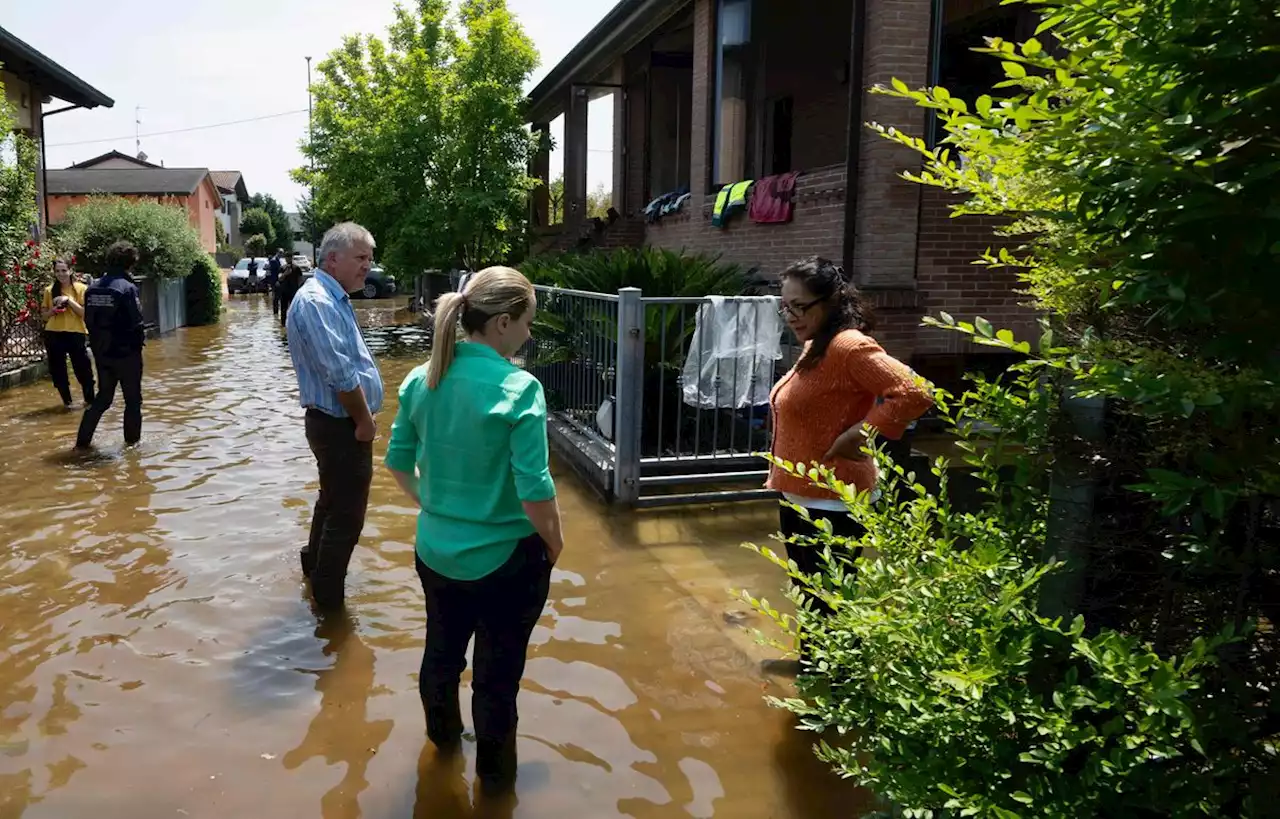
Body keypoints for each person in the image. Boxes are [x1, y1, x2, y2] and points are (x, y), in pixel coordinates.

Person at [385, 266, 562, 792]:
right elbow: (535, 487)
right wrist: (555, 541)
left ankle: (441, 751)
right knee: (496, 679)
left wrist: (436, 507)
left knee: (439, 655)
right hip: (507, 560)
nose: (530, 334)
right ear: (503, 322)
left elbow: (397, 461)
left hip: (435, 551)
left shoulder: (423, 377)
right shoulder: (519, 387)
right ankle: (495, 784)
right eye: (528, 322)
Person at [767, 256, 933, 669]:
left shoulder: (847, 346)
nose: (791, 316)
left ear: (831, 302)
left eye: (800, 306)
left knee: (831, 597)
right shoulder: (815, 347)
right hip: (801, 492)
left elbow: (914, 391)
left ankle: (842, 685)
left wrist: (861, 433)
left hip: (833, 498)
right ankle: (813, 665)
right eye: (784, 305)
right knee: (809, 590)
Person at [286, 222, 383, 611]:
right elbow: (340, 373)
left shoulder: (331, 296)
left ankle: (314, 574)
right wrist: (364, 421)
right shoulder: (318, 302)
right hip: (342, 424)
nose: (367, 267)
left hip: (339, 422)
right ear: (333, 258)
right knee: (347, 519)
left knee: (331, 503)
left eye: (369, 259)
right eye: (361, 258)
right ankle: (329, 609)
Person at [76, 241, 147, 449]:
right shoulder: (127, 288)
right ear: (131, 263)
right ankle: (132, 447)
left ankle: (81, 444)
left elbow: (88, 320)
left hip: (102, 354)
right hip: (126, 355)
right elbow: (137, 323)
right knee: (133, 401)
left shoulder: (92, 288)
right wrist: (137, 346)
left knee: (103, 398)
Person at [41, 257, 95, 409]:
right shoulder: (49, 290)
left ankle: (90, 402)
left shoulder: (81, 289)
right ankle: (67, 404)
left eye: (64, 270)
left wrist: (69, 301)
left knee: (83, 368)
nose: (61, 274)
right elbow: (44, 315)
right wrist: (53, 310)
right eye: (57, 271)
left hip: (76, 333)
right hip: (53, 333)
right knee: (58, 371)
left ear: (70, 270)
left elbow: (85, 314)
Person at [278, 261, 303, 327]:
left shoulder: (296, 268)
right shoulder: (282, 268)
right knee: (283, 310)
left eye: (289, 257)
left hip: (293, 292)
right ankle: (283, 325)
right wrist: (285, 273)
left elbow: (300, 278)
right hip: (284, 292)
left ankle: (294, 325)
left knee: (295, 310)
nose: (288, 258)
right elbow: (280, 278)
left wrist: (298, 288)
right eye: (287, 257)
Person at [266, 249, 283, 315]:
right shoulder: (273, 260)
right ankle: (275, 312)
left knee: (277, 296)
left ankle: (277, 311)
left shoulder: (277, 260)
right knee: (275, 296)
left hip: (277, 280)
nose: (281, 254)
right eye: (280, 253)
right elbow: (275, 272)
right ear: (277, 252)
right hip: (275, 281)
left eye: (282, 253)